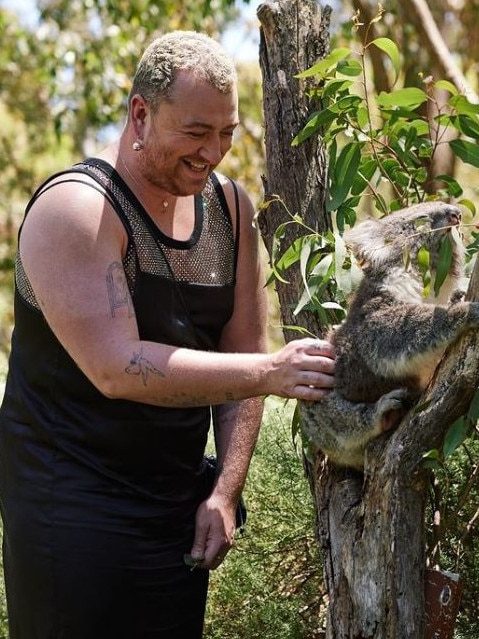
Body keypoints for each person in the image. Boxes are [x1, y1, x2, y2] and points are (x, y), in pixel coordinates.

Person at [0, 30, 335, 639]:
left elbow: (240, 355)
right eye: (196, 132)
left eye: (227, 133)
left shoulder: (231, 209)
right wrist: (272, 373)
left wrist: (225, 493)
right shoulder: (77, 209)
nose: (213, 152)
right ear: (140, 114)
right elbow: (117, 366)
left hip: (176, 507)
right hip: (70, 506)